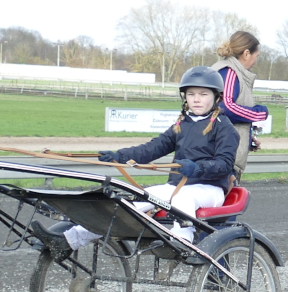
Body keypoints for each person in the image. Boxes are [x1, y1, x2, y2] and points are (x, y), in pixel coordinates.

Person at [97, 66, 239, 220]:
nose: (196, 99)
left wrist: (197, 168)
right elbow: (153, 148)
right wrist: (120, 156)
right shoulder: (182, 125)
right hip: (176, 186)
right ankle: (80, 233)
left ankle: (183, 235)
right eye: (191, 94)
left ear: (217, 97)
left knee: (182, 200)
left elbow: (225, 164)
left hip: (210, 189)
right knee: (134, 201)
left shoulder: (225, 127)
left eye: (203, 94)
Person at [214, 30, 269, 180]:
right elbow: (226, 108)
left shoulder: (226, 70)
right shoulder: (229, 72)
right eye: (256, 56)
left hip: (221, 155)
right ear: (246, 53)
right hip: (222, 159)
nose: (256, 61)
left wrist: (247, 140)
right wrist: (259, 113)